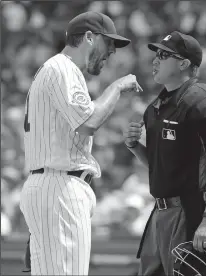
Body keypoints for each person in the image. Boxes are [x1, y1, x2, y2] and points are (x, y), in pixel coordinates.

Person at [20, 11, 142, 276]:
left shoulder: (54, 68)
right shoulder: (63, 68)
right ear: (88, 37)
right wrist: (117, 87)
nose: (112, 51)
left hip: (50, 186)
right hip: (60, 187)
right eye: (108, 42)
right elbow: (88, 122)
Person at [123, 31, 206, 276]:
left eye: (163, 55)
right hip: (159, 214)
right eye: (155, 55)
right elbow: (158, 165)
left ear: (184, 63)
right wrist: (134, 147)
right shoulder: (154, 108)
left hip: (192, 212)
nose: (155, 60)